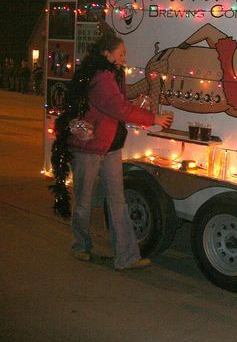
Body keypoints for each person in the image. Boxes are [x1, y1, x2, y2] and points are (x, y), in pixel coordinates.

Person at [49, 29, 173, 270]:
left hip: (111, 147)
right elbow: (118, 108)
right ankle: (80, 246)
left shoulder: (114, 74)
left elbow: (120, 106)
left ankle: (126, 257)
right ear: (106, 54)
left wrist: (139, 107)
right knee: (84, 201)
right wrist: (153, 118)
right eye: (121, 54)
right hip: (89, 148)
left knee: (118, 202)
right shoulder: (101, 76)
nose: (124, 58)